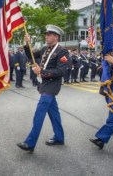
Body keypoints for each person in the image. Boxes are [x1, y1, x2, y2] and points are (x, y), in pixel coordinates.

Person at [17, 24, 69, 152]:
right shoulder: (46, 48)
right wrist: (27, 43)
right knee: (54, 113)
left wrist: (42, 71)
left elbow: (61, 71)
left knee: (39, 114)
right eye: (46, 34)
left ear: (56, 37)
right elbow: (31, 55)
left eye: (49, 35)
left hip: (51, 85)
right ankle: (59, 137)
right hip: (44, 84)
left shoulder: (62, 51)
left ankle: (30, 143)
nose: (46, 36)